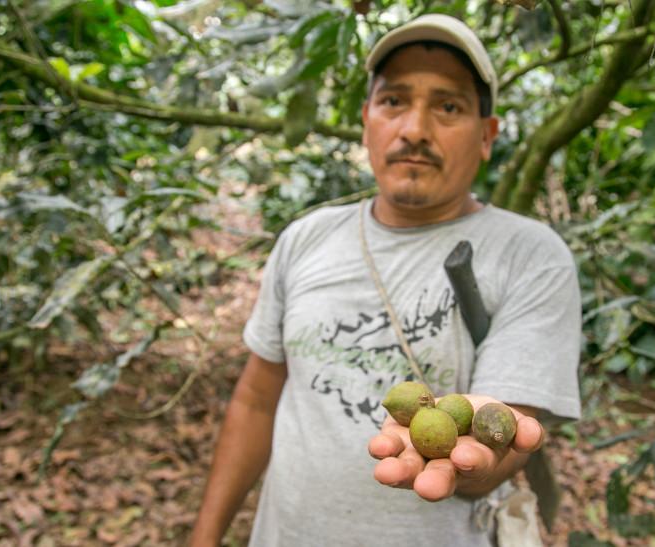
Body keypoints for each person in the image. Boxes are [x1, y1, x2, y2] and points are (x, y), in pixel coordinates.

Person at [189, 13, 581, 547]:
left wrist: (474, 458)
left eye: (448, 106)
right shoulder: (305, 239)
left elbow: (487, 461)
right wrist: (204, 537)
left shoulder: (530, 255)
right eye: (394, 101)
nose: (415, 129)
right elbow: (256, 400)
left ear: (487, 136)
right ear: (367, 119)